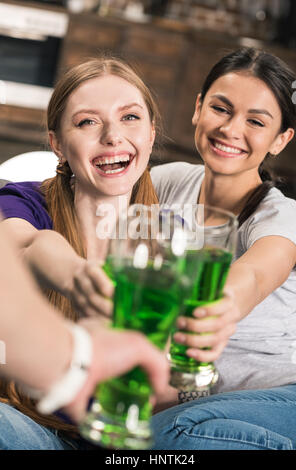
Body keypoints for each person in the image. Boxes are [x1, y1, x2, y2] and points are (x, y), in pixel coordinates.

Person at [0, 56, 162, 449]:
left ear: (152, 133)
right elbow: (25, 246)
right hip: (25, 425)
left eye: (130, 117)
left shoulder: (172, 240)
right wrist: (77, 275)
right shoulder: (22, 201)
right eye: (88, 121)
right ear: (56, 142)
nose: (112, 136)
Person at [150, 47, 296, 450]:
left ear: (280, 140)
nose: (232, 129)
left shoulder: (278, 218)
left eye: (255, 121)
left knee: (167, 435)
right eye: (221, 108)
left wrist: (212, 311)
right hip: (192, 405)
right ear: (198, 107)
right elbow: (86, 204)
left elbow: (253, 275)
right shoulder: (167, 183)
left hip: (282, 399)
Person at [0, 222, 169, 449]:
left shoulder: (164, 235)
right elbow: (25, 246)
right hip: (33, 421)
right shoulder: (29, 204)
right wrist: (75, 275)